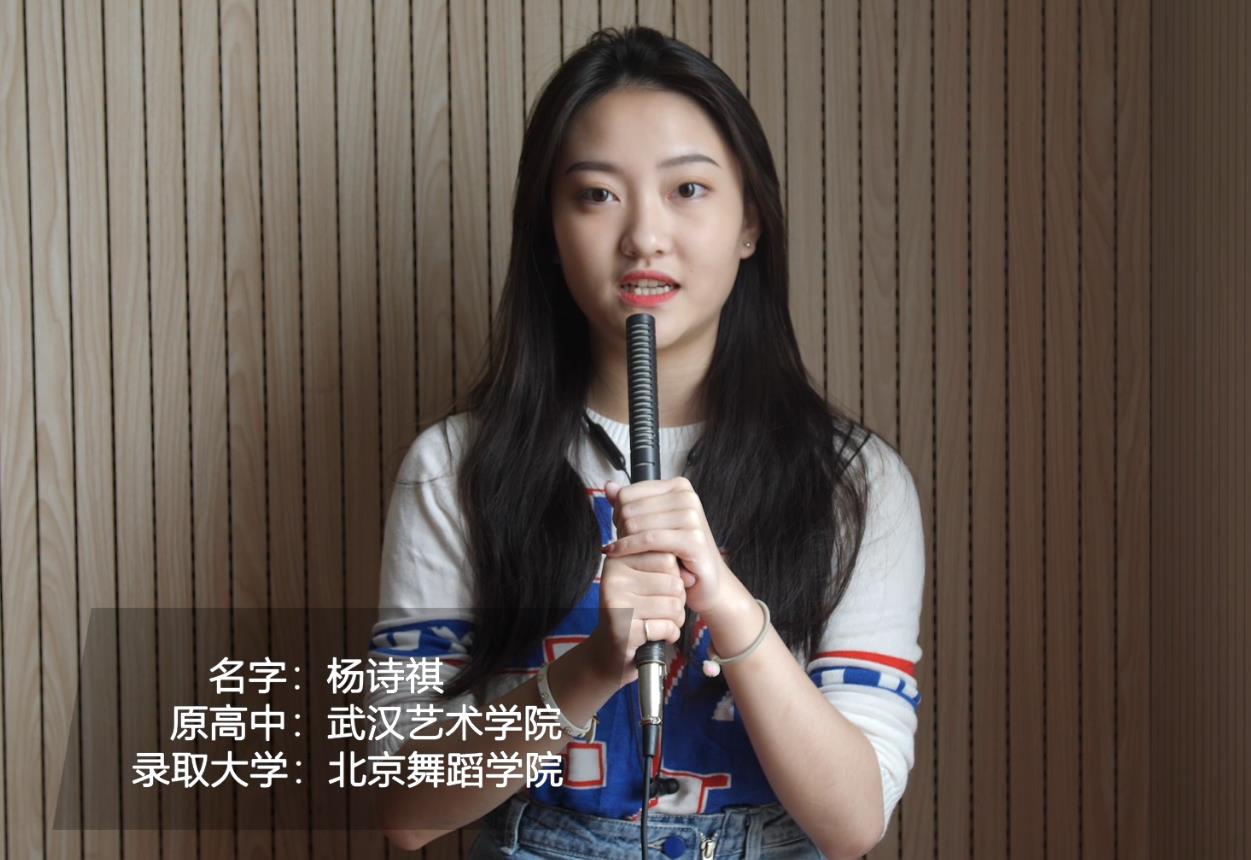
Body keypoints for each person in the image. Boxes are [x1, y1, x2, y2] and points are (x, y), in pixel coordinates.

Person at [364, 26, 925, 860]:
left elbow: (852, 823)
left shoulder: (852, 480)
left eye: (688, 189)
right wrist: (596, 663)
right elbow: (405, 806)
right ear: (549, 231)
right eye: (596, 195)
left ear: (749, 222)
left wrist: (729, 611)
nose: (643, 236)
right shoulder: (454, 469)